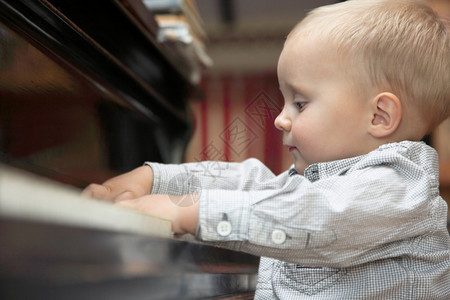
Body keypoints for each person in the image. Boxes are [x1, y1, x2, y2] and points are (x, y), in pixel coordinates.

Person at [83, 0, 450, 298]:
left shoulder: (400, 188)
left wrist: (186, 213)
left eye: (300, 104)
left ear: (379, 115)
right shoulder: (317, 179)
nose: (280, 119)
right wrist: (154, 180)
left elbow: (315, 219)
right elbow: (250, 183)